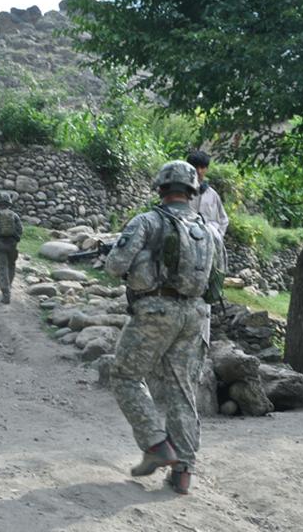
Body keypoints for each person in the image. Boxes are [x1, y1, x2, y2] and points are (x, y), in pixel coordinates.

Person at [104, 160, 225, 495]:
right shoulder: (209, 229)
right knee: (182, 391)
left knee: (125, 376)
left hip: (156, 311)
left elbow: (115, 266)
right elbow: (217, 280)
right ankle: (183, 472)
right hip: (195, 315)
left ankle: (155, 445)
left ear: (160, 188)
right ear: (192, 191)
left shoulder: (148, 221)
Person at [185, 150, 229, 237]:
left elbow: (223, 220)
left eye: (202, 167)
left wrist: (218, 237)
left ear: (206, 169)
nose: (198, 171)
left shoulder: (213, 195)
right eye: (195, 167)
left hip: (208, 244)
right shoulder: (180, 192)